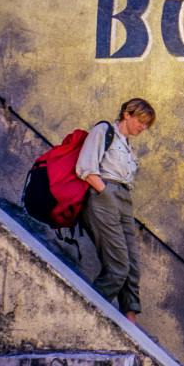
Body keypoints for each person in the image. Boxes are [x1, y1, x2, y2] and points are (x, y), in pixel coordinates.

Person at [75, 98, 156, 323]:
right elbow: (85, 167)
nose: (143, 127)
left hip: (123, 198)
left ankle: (130, 320)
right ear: (127, 114)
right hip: (104, 196)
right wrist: (106, 193)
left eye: (147, 124)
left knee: (131, 265)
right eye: (141, 121)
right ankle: (86, 318)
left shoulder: (127, 145)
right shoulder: (104, 130)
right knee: (118, 267)